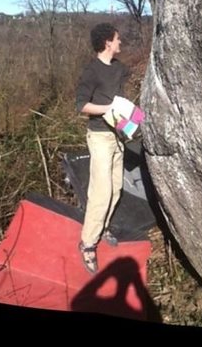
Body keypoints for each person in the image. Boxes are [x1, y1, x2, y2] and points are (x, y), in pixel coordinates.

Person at [75, 23, 130, 274]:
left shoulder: (119, 69)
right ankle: (88, 243)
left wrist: (130, 122)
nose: (121, 43)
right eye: (117, 39)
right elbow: (81, 105)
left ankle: (102, 227)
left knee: (116, 188)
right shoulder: (91, 71)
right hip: (98, 137)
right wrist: (107, 110)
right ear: (107, 42)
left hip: (118, 136)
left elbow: (121, 102)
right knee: (101, 192)